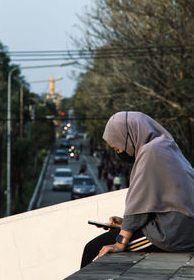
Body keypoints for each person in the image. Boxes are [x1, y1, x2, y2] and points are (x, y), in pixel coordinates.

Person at [81, 111, 194, 268]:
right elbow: (159, 201)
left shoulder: (151, 152)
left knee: (92, 249)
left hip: (172, 233)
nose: (119, 153)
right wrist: (124, 223)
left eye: (118, 148)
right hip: (181, 226)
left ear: (129, 136)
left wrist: (120, 242)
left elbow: (139, 204)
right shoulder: (166, 145)